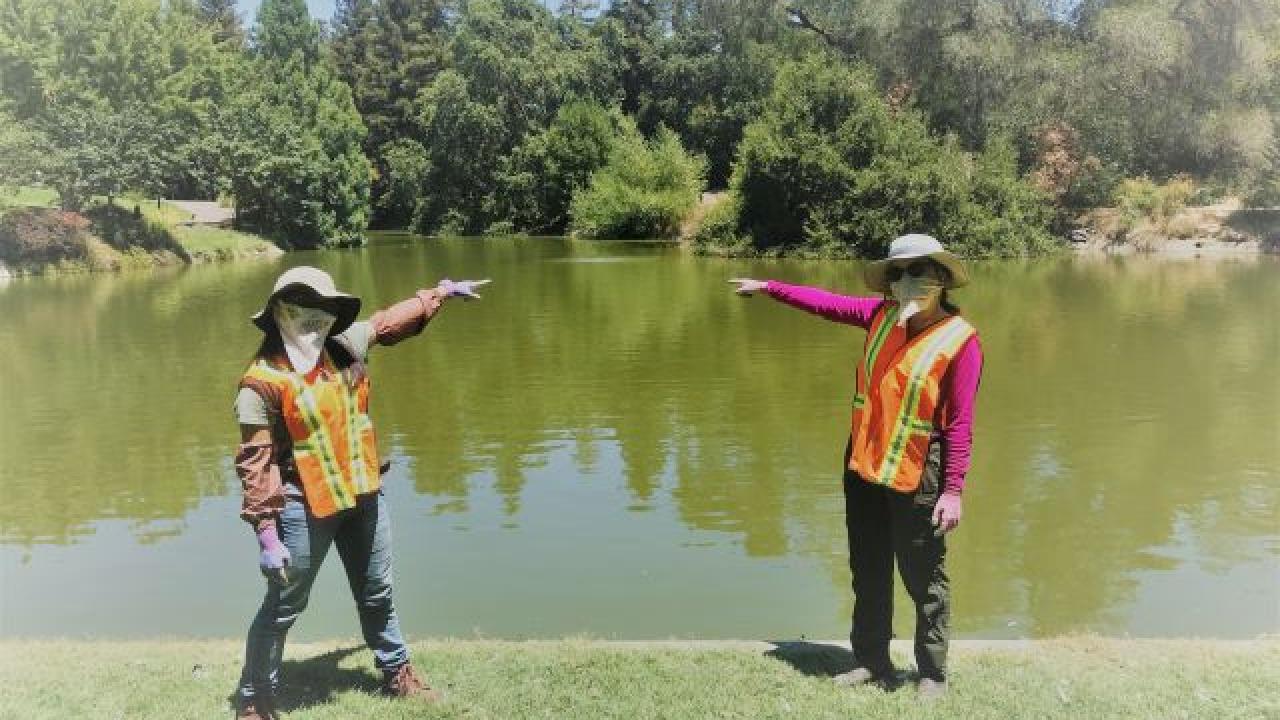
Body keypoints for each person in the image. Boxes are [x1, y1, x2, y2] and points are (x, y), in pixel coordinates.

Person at [729, 233, 982, 699]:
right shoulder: (879, 317)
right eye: (899, 273)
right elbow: (825, 303)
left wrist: (953, 489)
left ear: (942, 278)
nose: (908, 281)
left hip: (919, 474)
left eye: (920, 270)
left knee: (925, 577)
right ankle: (871, 662)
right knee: (867, 569)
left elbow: (961, 424)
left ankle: (931, 672)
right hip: (863, 467)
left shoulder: (960, 341)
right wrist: (770, 287)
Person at [231, 266, 489, 719]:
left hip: (364, 495)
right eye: (300, 310)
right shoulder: (260, 382)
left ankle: (397, 672)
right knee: (285, 604)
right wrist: (266, 533)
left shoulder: (345, 346)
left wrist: (440, 294)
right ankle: (255, 697)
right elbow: (256, 463)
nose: (311, 320)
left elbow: (389, 322)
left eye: (320, 310)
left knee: (377, 593)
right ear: (278, 315)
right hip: (302, 506)